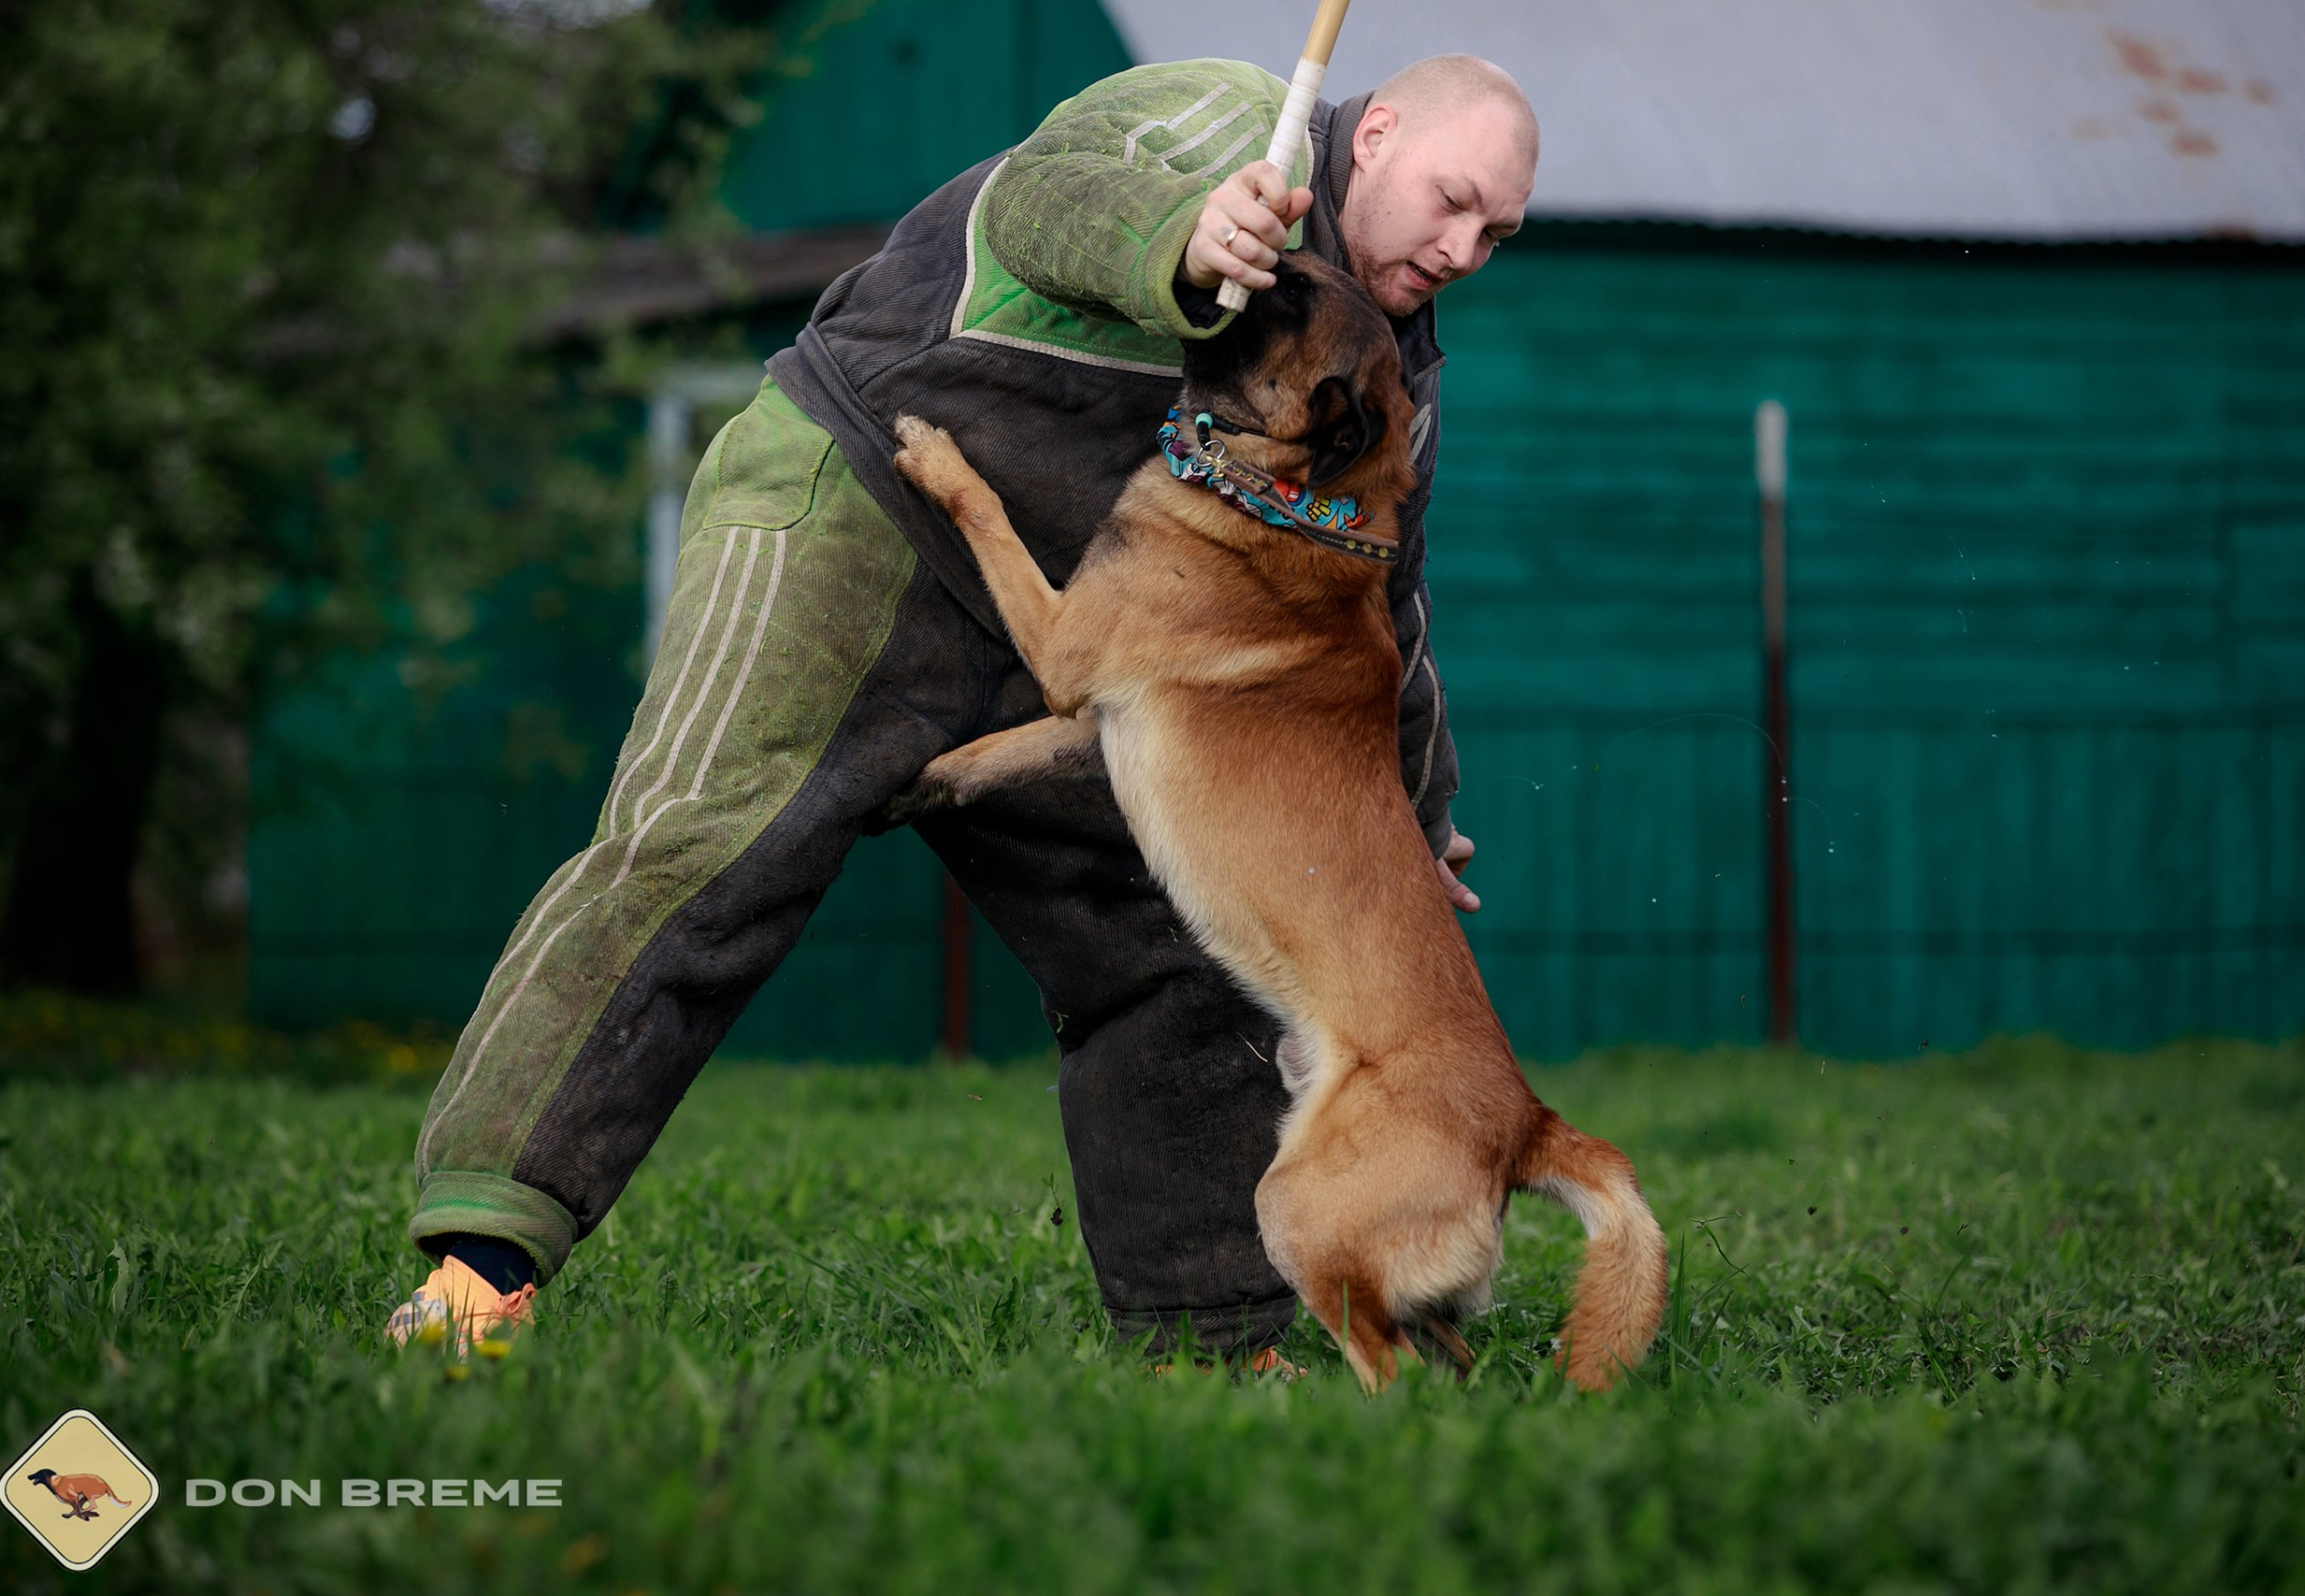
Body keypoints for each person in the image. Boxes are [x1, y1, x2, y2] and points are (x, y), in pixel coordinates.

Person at [384, 52, 1539, 1363]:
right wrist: (1184, 235)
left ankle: (1225, 1345)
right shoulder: (1219, 122)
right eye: (1453, 201)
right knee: (705, 854)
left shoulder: (1392, 368)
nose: (1464, 248)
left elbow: (1380, 595)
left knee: (1170, 940)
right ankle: (477, 1272)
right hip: (863, 499)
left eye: (1498, 233)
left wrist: (1418, 808)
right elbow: (1047, 195)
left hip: (1084, 629)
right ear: (1374, 134)